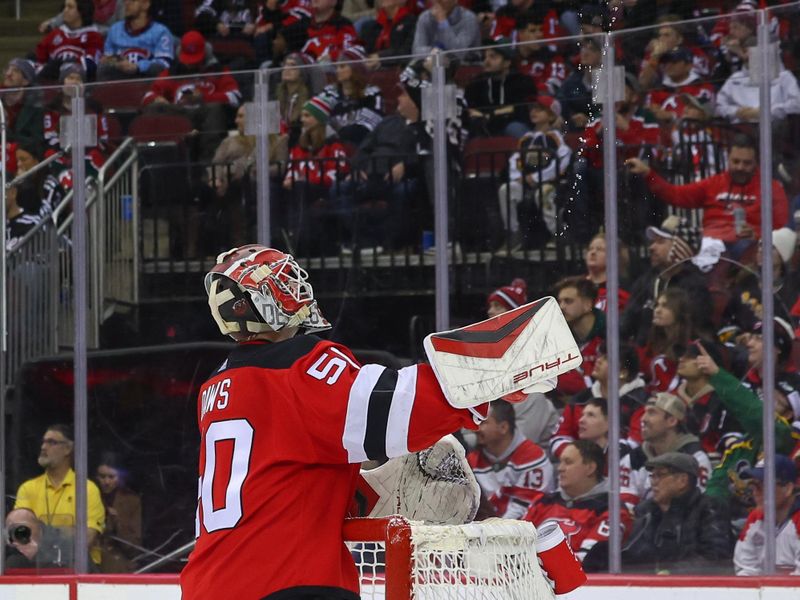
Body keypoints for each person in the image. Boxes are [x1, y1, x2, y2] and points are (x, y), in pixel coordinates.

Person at [179, 244, 519, 599]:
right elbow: (400, 406)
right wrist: (491, 368)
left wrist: (358, 494)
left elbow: (277, 480)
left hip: (208, 582)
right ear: (266, 299)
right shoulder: (294, 367)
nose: (298, 289)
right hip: (286, 583)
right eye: (287, 281)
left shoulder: (217, 385)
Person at [625, 135, 790, 249]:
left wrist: (757, 234)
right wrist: (648, 174)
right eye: (736, 161)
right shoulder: (714, 183)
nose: (740, 167)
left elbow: (783, 229)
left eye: (747, 163)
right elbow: (675, 194)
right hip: (709, 244)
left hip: (749, 248)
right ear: (728, 158)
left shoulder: (772, 188)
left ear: (757, 162)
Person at [523, 440, 632, 570]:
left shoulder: (612, 510)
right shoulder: (543, 502)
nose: (560, 468)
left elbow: (586, 562)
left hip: (581, 587)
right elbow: (513, 546)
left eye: (568, 462)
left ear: (590, 468)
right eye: (560, 462)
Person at [621, 453, 733, 573]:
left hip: (696, 588)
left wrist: (671, 574)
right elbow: (632, 555)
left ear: (682, 481)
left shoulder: (709, 509)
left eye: (659, 475)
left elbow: (714, 559)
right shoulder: (645, 511)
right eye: (652, 476)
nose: (653, 482)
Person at [141, 30, 242, 162]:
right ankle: (157, 162)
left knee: (215, 109)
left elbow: (235, 97)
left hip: (205, 114)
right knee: (155, 108)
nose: (191, 63)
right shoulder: (171, 73)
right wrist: (156, 99)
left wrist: (203, 97)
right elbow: (146, 97)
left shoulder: (218, 71)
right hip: (179, 114)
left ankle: (209, 168)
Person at [13, 424, 105, 567]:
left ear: (68, 449)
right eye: (43, 442)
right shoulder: (27, 488)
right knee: (13, 563)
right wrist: (66, 532)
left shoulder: (87, 489)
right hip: (39, 563)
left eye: (51, 442)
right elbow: (21, 536)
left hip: (77, 566)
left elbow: (86, 538)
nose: (43, 447)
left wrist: (42, 533)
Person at [484, 279, 560, 445]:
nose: (490, 311)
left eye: (498, 306)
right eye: (490, 306)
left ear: (513, 312)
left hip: (525, 410)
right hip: (498, 412)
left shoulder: (537, 343)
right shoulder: (486, 347)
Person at [621, 215, 711, 346]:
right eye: (653, 242)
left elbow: (691, 328)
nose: (652, 247)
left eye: (660, 242)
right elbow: (627, 321)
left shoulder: (696, 286)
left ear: (680, 249)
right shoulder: (646, 280)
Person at [496, 96, 571, 251]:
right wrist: (517, 177)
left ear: (551, 115)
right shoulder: (525, 139)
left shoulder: (555, 137)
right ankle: (514, 233)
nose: (534, 112)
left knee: (543, 194)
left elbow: (563, 160)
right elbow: (516, 160)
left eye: (540, 109)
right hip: (526, 182)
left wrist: (537, 177)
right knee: (506, 190)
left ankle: (557, 233)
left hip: (551, 182)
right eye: (532, 109)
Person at [550, 343, 647, 458]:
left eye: (606, 359)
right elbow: (558, 438)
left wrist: (598, 457)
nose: (598, 360)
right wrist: (580, 456)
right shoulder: (581, 399)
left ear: (623, 373)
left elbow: (637, 444)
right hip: (580, 466)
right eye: (600, 356)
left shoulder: (640, 403)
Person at [620, 393, 712, 510]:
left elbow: (700, 506)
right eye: (644, 412)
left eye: (652, 413)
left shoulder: (695, 458)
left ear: (672, 420)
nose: (643, 419)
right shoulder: (634, 458)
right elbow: (625, 504)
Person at [283, 94, 350, 255]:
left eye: (307, 116)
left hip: (324, 190)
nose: (303, 120)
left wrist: (304, 180)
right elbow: (292, 168)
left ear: (319, 118)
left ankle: (299, 240)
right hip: (302, 190)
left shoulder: (333, 145)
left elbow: (336, 173)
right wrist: (289, 178)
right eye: (302, 116)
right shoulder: (299, 146)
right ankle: (287, 237)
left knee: (300, 188)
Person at [467, 400, 554, 519]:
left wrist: (496, 533)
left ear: (503, 427)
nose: (475, 429)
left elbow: (524, 509)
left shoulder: (532, 457)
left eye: (483, 423)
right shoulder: (472, 461)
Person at [675, 341, 744, 459]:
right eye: (683, 355)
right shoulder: (672, 397)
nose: (681, 359)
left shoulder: (723, 401)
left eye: (691, 357)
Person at [734, 454, 800, 575]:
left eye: (763, 485)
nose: (755, 492)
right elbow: (745, 570)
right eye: (753, 485)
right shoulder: (755, 518)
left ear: (788, 489)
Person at [464, 38, 537, 138]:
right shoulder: (476, 83)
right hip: (485, 127)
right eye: (485, 57)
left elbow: (520, 111)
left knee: (514, 127)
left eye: (493, 57)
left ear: (507, 62)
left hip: (512, 126)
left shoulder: (522, 82)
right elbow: (470, 111)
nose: (486, 61)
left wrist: (488, 115)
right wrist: (495, 115)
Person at [553, 277, 605, 395]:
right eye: (559, 301)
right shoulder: (558, 336)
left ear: (587, 304)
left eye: (568, 301)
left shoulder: (610, 334)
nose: (561, 307)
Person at [323, 45, 384, 146]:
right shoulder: (329, 92)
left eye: (342, 66)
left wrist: (336, 136)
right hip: (332, 149)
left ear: (356, 68)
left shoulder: (372, 93)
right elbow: (317, 120)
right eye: (337, 67)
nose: (337, 71)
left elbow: (367, 127)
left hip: (362, 148)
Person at [99, 0, 175, 79]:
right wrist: (116, 62)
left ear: (145, 4)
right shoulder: (115, 29)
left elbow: (164, 64)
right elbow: (106, 58)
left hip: (148, 81)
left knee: (157, 69)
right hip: (120, 80)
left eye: (132, 1)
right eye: (125, 1)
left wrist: (138, 67)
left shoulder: (161, 32)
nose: (127, 3)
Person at [637, 288, 693, 394]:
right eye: (657, 305)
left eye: (665, 306)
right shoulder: (651, 343)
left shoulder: (688, 348)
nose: (657, 310)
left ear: (679, 312)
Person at [35, 0, 104, 81]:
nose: (65, 10)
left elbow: (91, 64)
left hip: (80, 82)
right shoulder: (55, 34)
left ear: (82, 11)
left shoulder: (93, 36)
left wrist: (66, 64)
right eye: (64, 7)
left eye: (70, 7)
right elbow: (39, 60)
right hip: (52, 81)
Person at [95, 452, 142, 573]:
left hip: (118, 567)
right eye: (102, 476)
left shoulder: (132, 501)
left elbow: (134, 546)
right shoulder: (88, 496)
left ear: (120, 477)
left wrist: (117, 524)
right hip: (90, 564)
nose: (106, 482)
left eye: (111, 477)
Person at [4, 508, 74, 571]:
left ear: (37, 526)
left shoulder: (61, 542)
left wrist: (37, 555)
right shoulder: (10, 551)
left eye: (22, 529)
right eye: (12, 530)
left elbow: (62, 575)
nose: (19, 534)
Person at [411, 0, 480, 60]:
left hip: (465, 69)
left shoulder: (469, 18)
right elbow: (416, 51)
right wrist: (437, 52)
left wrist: (443, 22)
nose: (438, 1)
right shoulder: (425, 17)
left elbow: (458, 53)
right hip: (431, 67)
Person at [1, 58, 44, 150]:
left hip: (23, 157)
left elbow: (37, 142)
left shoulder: (35, 107)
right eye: (8, 69)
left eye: (15, 71)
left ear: (26, 81)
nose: (8, 74)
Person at [584, 233, 630, 313]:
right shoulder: (577, 286)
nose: (593, 252)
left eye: (600, 249)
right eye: (590, 249)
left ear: (615, 256)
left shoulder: (620, 290)